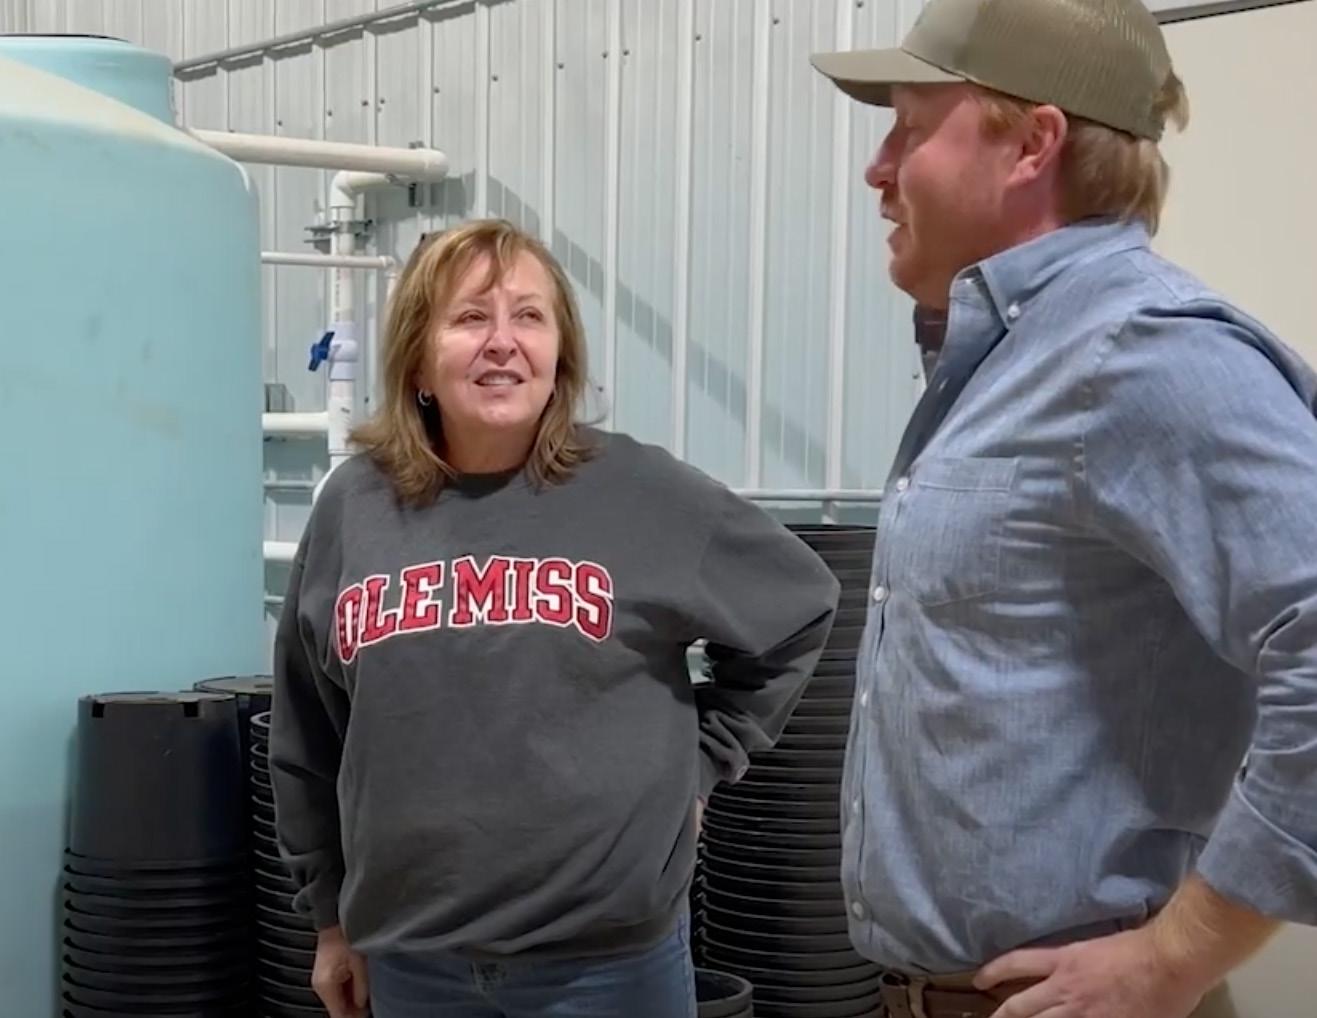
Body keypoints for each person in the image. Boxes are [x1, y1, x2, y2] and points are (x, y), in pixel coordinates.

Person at [810, 0, 1317, 1016]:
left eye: (910, 127)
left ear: (1032, 144)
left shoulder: (1144, 354)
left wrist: (1173, 957)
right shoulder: (1006, 361)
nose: (877, 168)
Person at [269, 219, 840, 1018]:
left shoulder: (643, 494)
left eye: (529, 317)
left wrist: (701, 762)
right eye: (470, 317)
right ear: (418, 360)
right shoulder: (354, 507)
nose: (502, 342)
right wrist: (330, 919)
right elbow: (307, 730)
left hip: (605, 966)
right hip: (412, 960)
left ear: (559, 354)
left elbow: (798, 607)